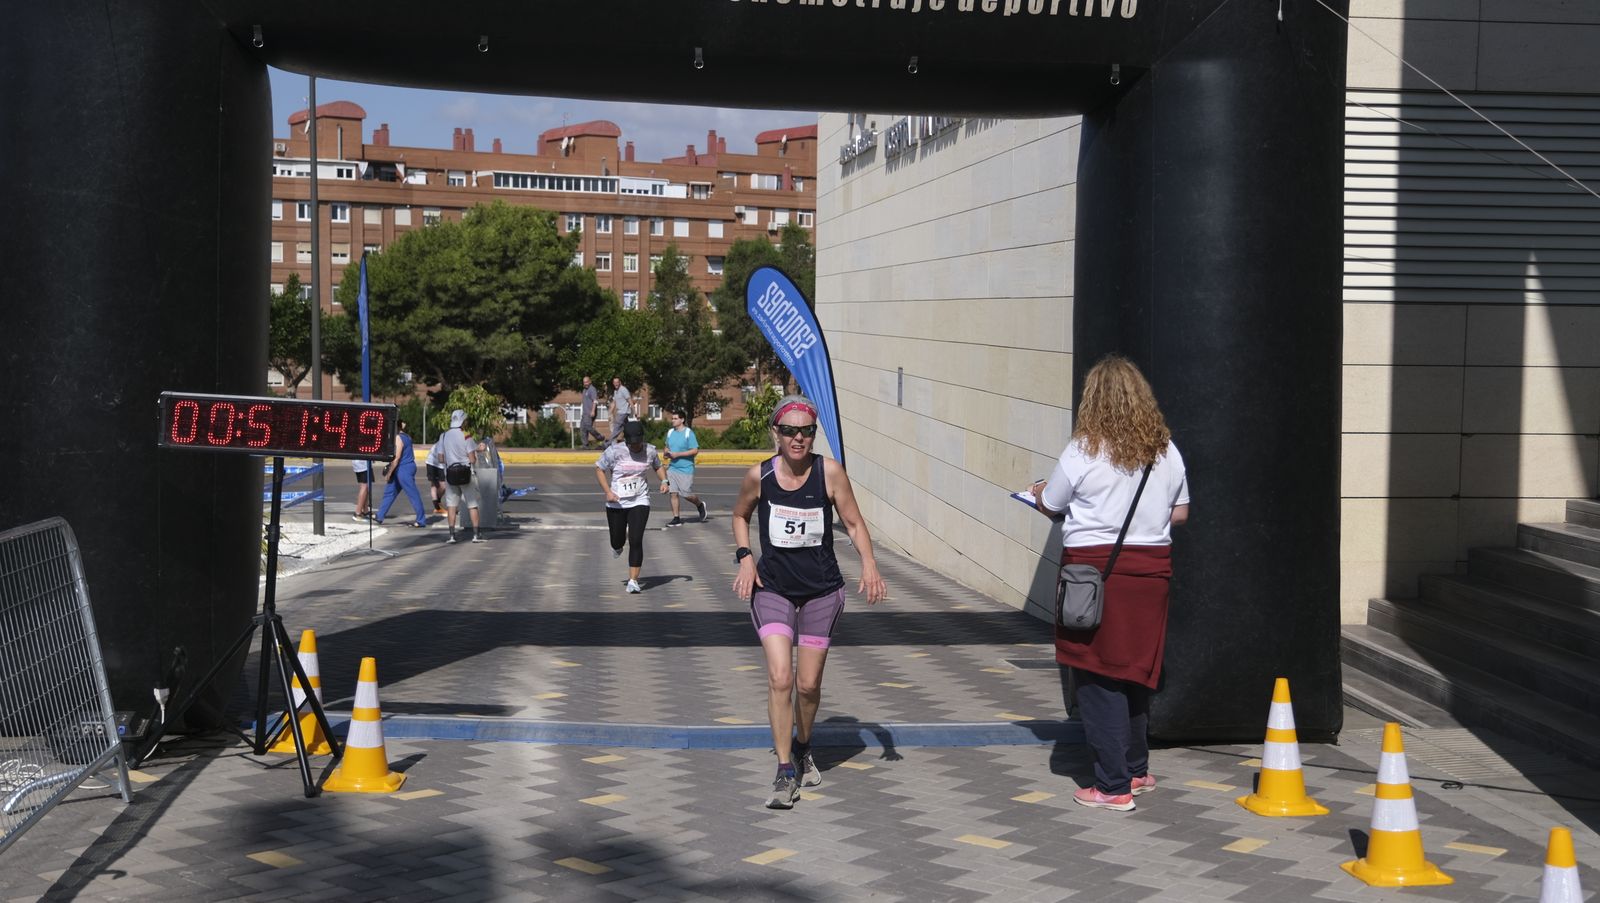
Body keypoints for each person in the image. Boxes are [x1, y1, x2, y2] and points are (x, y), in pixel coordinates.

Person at [1030, 355, 1189, 812]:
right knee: (1136, 672)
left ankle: (1113, 786)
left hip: (1093, 574)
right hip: (1151, 574)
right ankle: (1137, 770)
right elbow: (1180, 513)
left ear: (1092, 401)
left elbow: (1052, 503)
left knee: (1097, 674)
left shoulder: (1083, 450)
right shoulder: (1166, 450)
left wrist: (1038, 492)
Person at [731, 394, 887, 810]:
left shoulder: (829, 473)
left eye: (806, 431)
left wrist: (869, 563)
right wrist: (745, 557)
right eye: (789, 431)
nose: (798, 438)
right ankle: (785, 770)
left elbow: (853, 522)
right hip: (773, 589)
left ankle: (803, 745)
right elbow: (739, 515)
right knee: (781, 677)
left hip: (822, 591)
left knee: (807, 684)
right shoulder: (760, 476)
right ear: (776, 434)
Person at [595, 420, 667, 593]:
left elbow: (658, 466)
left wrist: (664, 480)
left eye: (638, 443)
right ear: (626, 441)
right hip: (617, 502)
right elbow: (599, 469)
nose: (635, 446)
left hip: (640, 500)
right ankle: (617, 545)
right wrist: (608, 492)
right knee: (617, 541)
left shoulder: (650, 450)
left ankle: (633, 581)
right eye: (632, 444)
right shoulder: (614, 451)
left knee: (636, 540)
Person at [437, 409, 485, 544]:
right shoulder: (466, 436)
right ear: (462, 421)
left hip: (450, 475)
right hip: (466, 475)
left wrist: (452, 460)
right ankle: (476, 535)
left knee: (451, 506)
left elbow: (440, 458)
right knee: (472, 504)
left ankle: (452, 536)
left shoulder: (443, 436)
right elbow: (472, 459)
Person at [373, 419, 427, 528]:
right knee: (389, 492)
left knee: (412, 494)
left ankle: (421, 520)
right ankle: (380, 516)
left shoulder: (398, 438)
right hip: (406, 467)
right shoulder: (407, 437)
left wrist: (389, 473)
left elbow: (397, 458)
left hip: (403, 468)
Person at [660, 408, 708, 527]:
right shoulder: (670, 432)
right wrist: (666, 453)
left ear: (682, 420)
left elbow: (695, 450)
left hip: (686, 469)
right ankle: (676, 518)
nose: (673, 420)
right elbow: (667, 446)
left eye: (675, 419)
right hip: (672, 468)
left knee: (686, 493)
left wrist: (678, 454)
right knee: (673, 493)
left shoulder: (688, 433)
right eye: (672, 418)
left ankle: (699, 504)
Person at [579, 375, 606, 449]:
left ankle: (600, 437)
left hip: (590, 412)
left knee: (588, 427)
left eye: (587, 382)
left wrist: (593, 411)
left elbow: (595, 401)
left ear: (590, 381)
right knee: (583, 429)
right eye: (584, 382)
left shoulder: (592, 389)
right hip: (585, 413)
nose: (585, 384)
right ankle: (585, 445)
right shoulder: (584, 390)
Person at [607, 377, 632, 443]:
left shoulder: (623, 390)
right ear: (613, 383)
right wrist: (610, 412)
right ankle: (630, 441)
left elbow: (630, 400)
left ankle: (608, 443)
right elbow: (614, 402)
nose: (616, 384)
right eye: (614, 382)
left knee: (617, 426)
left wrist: (635, 412)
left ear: (620, 382)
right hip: (620, 412)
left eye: (617, 382)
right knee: (626, 428)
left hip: (623, 412)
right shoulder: (615, 391)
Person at [424, 440, 446, 514]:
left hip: (441, 464)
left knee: (443, 486)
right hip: (432, 463)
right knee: (434, 485)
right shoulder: (442, 442)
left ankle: (437, 501)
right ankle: (437, 507)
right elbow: (441, 458)